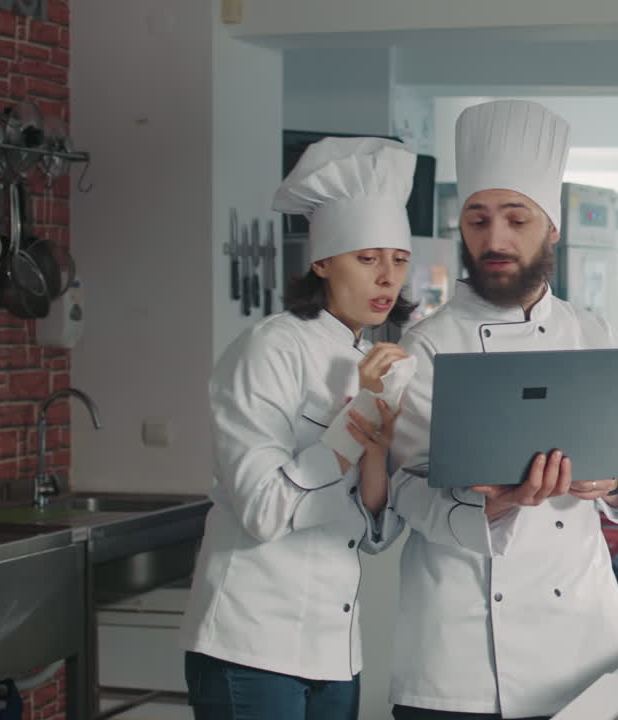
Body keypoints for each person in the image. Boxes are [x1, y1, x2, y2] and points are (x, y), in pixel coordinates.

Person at [375, 99, 618, 720]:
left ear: (551, 228)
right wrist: (493, 503)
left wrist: (614, 479)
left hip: (581, 643)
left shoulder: (593, 332)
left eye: (515, 218)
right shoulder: (428, 345)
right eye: (477, 221)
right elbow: (404, 490)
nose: (494, 239)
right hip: (462, 660)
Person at [179, 137, 417, 720]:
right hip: (251, 640)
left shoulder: (375, 356)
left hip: (335, 647)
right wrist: (355, 423)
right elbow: (262, 510)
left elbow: (375, 535)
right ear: (322, 262)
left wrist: (376, 452)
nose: (386, 277)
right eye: (367, 259)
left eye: (398, 259)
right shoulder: (267, 348)